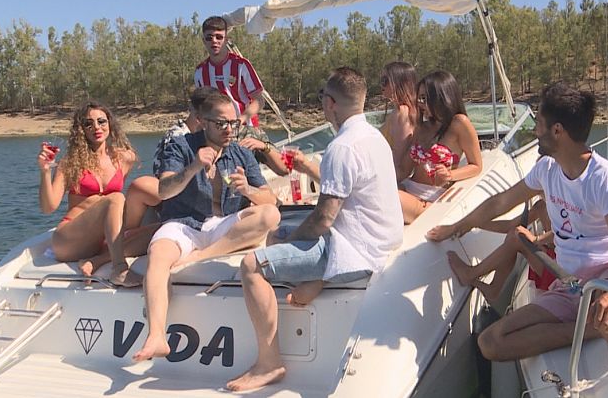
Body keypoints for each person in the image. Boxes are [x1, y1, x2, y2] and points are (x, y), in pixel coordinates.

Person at [428, 83, 608, 398]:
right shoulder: (547, 169)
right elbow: (500, 202)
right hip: (570, 287)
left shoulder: (603, 179)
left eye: (539, 126)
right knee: (490, 342)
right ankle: (589, 328)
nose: (535, 132)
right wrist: (457, 225)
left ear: (557, 131)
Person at [226, 67, 404, 392]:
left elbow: (324, 219)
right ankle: (315, 279)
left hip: (355, 251)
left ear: (331, 103)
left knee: (253, 264)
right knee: (280, 229)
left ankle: (269, 363)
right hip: (380, 239)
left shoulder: (342, 147)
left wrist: (290, 245)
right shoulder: (374, 137)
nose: (322, 102)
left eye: (323, 96)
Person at [133, 92, 280, 362]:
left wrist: (247, 188)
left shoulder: (240, 153)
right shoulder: (180, 146)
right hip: (184, 224)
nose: (229, 130)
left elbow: (270, 200)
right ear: (202, 121)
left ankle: (202, 256)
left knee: (269, 215)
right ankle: (156, 336)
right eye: (221, 123)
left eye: (234, 124)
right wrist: (192, 167)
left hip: (222, 224)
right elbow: (164, 191)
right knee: (158, 257)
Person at [78, 87, 222, 279]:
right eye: (216, 117)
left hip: (191, 196)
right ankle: (117, 247)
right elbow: (165, 179)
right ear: (199, 115)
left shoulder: (214, 135)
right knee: (144, 189)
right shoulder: (178, 138)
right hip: (175, 194)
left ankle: (120, 241)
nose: (222, 124)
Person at [37, 101, 139, 285]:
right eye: (88, 124)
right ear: (81, 130)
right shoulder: (70, 163)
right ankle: (119, 269)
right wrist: (45, 171)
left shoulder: (124, 158)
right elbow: (48, 207)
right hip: (69, 240)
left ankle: (96, 261)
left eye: (101, 121)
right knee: (116, 197)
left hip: (100, 242)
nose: (96, 127)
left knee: (158, 229)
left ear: (110, 123)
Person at [398, 70, 482, 224]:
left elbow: (476, 166)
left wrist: (450, 175)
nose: (421, 103)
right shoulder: (422, 127)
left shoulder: (459, 123)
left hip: (431, 197)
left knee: (393, 198)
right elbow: (404, 169)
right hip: (408, 187)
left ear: (440, 97)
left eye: (424, 98)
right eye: (420, 98)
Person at [444, 199, 553, 304]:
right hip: (552, 259)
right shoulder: (542, 205)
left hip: (563, 270)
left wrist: (537, 239)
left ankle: (471, 275)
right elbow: (510, 225)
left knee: (516, 238)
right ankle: (493, 288)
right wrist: (472, 223)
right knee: (514, 234)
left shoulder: (564, 205)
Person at [195, 16, 265, 129]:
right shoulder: (200, 72)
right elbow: (201, 106)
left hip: (244, 129)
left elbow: (259, 100)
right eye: (209, 37)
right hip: (215, 133)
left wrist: (239, 121)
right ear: (204, 41)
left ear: (226, 39)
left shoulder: (241, 65)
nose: (214, 41)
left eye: (219, 37)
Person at [379, 61, 419, 179]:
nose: (382, 85)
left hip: (391, 177)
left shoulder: (403, 113)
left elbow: (398, 159)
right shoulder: (401, 110)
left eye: (385, 81)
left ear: (401, 83)